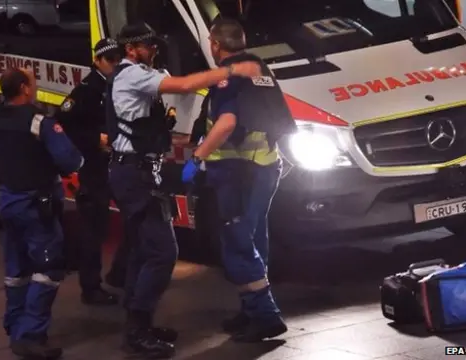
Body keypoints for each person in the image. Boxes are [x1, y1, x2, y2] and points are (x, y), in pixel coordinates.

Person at [107, 22, 262, 358]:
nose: (154, 50)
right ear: (132, 49)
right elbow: (186, 83)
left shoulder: (141, 73)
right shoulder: (132, 75)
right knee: (163, 253)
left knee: (140, 250)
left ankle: (139, 325)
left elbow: (180, 94)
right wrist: (232, 69)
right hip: (134, 176)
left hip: (138, 172)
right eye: (148, 45)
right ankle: (137, 329)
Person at [181, 18, 297, 342]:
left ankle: (265, 315)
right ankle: (250, 310)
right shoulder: (259, 68)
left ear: (215, 45)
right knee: (255, 240)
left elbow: (226, 124)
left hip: (241, 173)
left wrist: (197, 157)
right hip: (266, 167)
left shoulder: (228, 78)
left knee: (238, 243)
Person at [0, 67, 83, 359]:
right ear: (25, 88)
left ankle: (15, 326)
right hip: (36, 205)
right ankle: (30, 335)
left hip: (7, 201)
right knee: (49, 268)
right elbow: (70, 159)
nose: (35, 87)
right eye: (33, 82)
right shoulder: (39, 122)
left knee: (17, 268)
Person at [56, 38, 130, 306]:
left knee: (135, 219)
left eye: (118, 59)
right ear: (97, 60)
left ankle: (120, 274)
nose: (115, 64)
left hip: (119, 164)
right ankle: (91, 287)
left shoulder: (119, 84)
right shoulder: (87, 90)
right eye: (109, 60)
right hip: (96, 168)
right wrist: (93, 140)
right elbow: (63, 122)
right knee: (94, 230)